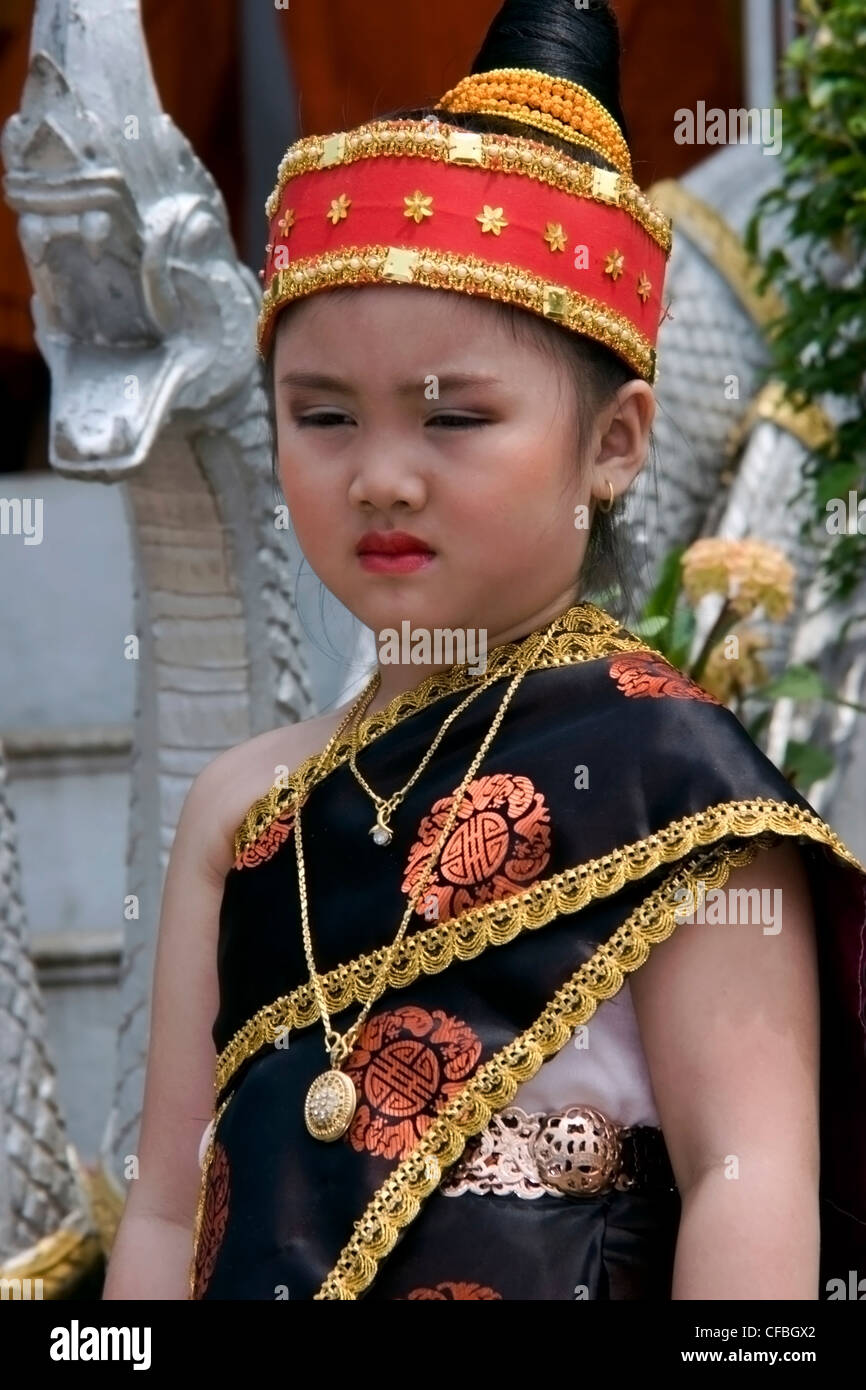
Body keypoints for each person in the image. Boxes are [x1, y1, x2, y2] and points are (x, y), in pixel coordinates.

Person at [103, 0, 866, 1301]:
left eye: (454, 416)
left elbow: (750, 1175)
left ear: (616, 443)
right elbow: (169, 1213)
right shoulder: (241, 809)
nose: (380, 476)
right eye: (322, 413)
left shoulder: (675, 785)